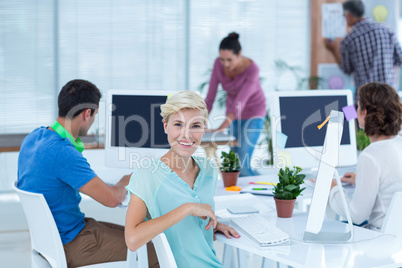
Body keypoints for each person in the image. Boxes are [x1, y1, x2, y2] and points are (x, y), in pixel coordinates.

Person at [17, 79, 158, 268]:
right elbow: (112, 199)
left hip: (57, 238)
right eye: (94, 116)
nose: (92, 123)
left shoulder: (34, 138)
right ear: (87, 113)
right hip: (72, 244)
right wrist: (130, 178)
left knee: (145, 237)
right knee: (157, 252)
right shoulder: (62, 152)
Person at [125, 91, 240, 267]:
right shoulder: (148, 174)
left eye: (195, 126)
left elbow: (186, 224)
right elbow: (132, 240)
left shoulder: (208, 170)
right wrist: (187, 209)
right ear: (165, 126)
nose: (186, 135)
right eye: (178, 124)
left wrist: (213, 226)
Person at [329, 82, 402, 231]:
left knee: (331, 227)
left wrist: (333, 189)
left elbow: (356, 216)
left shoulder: (370, 156)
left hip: (379, 238)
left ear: (365, 113)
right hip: (397, 239)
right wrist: (362, 180)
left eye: (358, 107)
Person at [205, 32, 266, 177]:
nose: (225, 64)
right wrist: (199, 122)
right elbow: (210, 97)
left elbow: (240, 103)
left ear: (239, 54)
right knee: (236, 166)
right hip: (234, 117)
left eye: (229, 60)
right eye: (222, 59)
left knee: (243, 164)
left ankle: (269, 190)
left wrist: (219, 129)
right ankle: (253, 191)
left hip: (254, 114)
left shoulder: (252, 70)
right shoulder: (218, 65)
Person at [323, 0, 402, 103]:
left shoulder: (348, 40)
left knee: (349, 114)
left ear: (349, 15)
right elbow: (400, 59)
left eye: (344, 16)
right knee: (391, 118)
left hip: (365, 99)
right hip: (389, 96)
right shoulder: (386, 29)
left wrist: (333, 50)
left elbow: (347, 69)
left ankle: (348, 119)